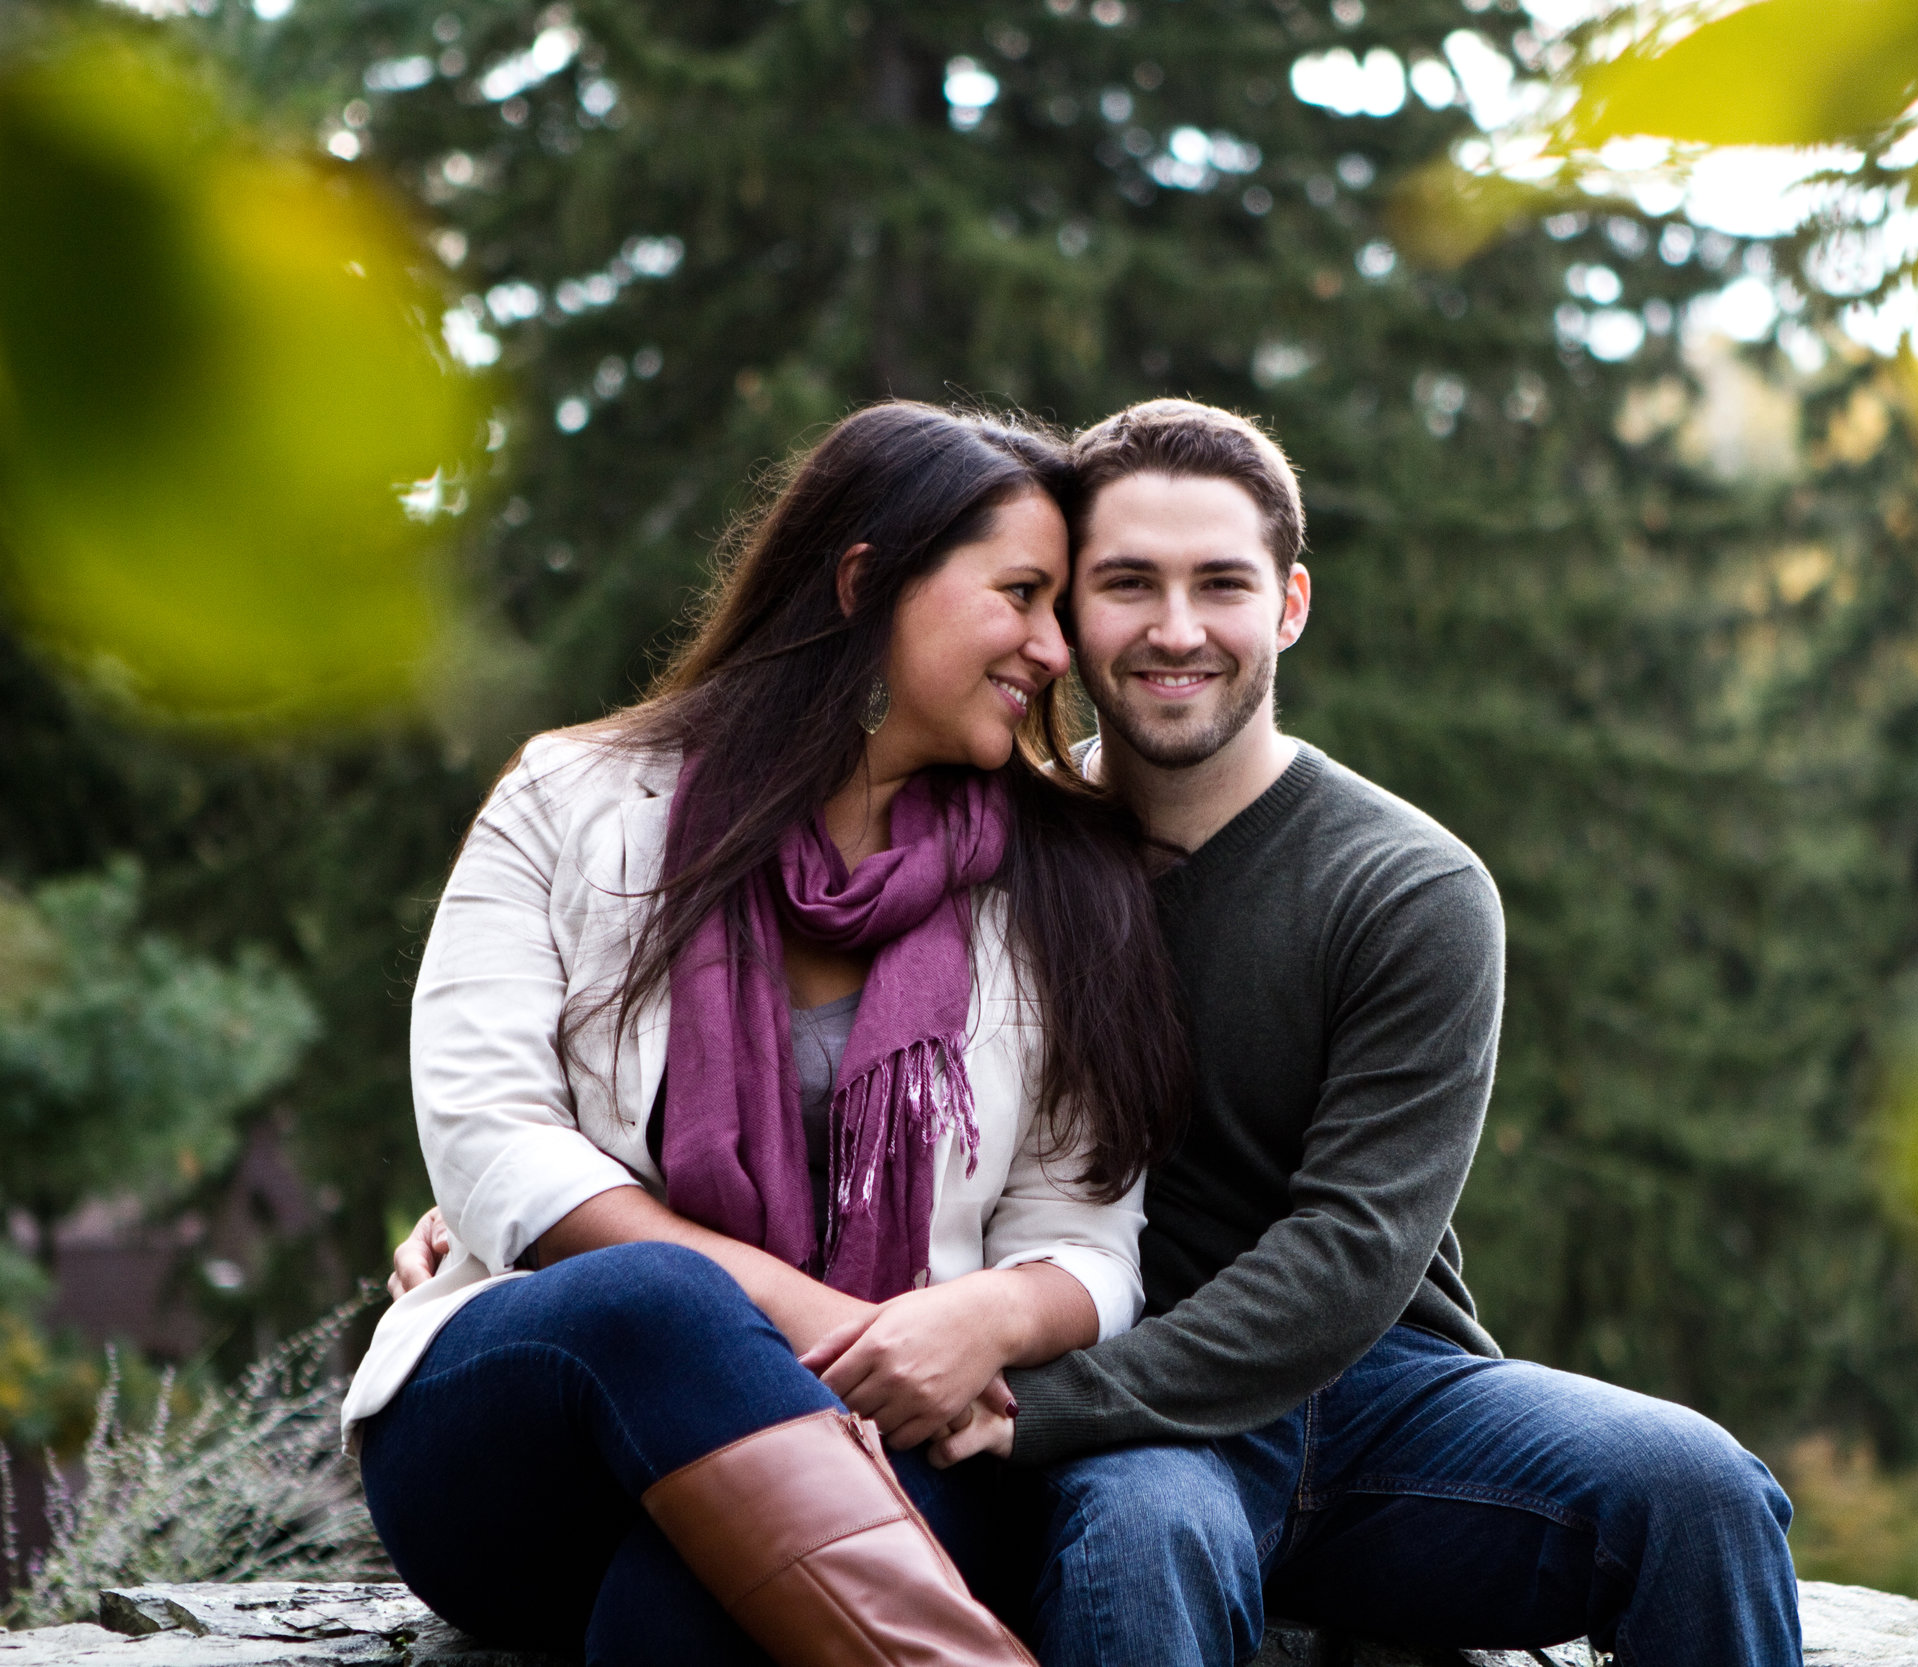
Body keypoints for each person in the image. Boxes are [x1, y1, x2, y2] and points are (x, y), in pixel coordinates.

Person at [397, 398, 1804, 1665]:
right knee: (1133, 1543)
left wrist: (1034, 1397)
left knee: (1702, 1486)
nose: (1162, 628)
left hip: (1311, 1380)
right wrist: (539, 1212)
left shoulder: (1385, 884)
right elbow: (558, 1106)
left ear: (1291, 604)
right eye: (1113, 584)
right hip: (1064, 1406)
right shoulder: (1018, 847)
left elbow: (1346, 1252)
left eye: (1221, 585)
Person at [350, 401, 1192, 1667]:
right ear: (864, 582)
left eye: (1062, 609)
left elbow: (1087, 1240)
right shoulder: (574, 799)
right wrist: (810, 1320)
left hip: (885, 1438)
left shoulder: (1067, 884)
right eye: (1021, 593)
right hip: (534, 1438)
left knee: (681, 1619)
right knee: (654, 1297)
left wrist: (987, 1323)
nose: (1053, 647)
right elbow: (491, 1137)